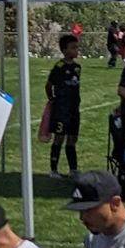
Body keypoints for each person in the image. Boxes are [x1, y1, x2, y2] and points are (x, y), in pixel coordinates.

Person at [44, 29, 82, 177]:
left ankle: (73, 169)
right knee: (59, 137)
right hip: (61, 108)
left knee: (72, 138)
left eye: (77, 47)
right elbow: (48, 85)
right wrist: (52, 98)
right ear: (64, 50)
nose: (76, 50)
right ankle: (53, 169)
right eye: (73, 47)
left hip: (74, 108)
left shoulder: (77, 67)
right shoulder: (59, 67)